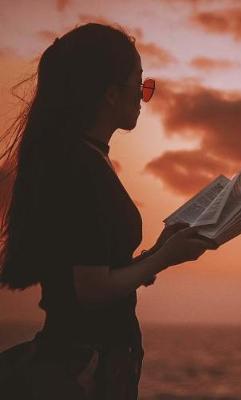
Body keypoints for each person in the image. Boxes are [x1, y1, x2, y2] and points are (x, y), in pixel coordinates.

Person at [0, 22, 215, 399]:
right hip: (81, 371)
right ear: (110, 94)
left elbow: (96, 268)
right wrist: (163, 258)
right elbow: (91, 289)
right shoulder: (79, 167)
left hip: (89, 362)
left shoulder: (86, 158)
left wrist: (156, 253)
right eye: (140, 85)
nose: (144, 98)